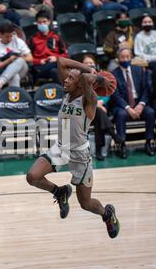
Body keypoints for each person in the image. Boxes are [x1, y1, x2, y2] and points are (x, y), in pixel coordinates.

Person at [26, 56, 120, 238]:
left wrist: (95, 76)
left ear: (79, 85)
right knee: (32, 177)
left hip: (80, 156)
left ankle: (106, 214)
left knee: (85, 204)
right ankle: (60, 192)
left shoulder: (89, 101)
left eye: (70, 79)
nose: (65, 81)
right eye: (66, 77)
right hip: (61, 148)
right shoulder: (68, 93)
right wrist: (85, 67)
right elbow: (61, 61)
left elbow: (86, 80)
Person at [110, 47, 155, 158]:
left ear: (131, 58)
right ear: (117, 59)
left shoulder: (139, 70)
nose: (125, 59)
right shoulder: (113, 74)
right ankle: (122, 144)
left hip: (139, 103)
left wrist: (141, 104)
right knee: (121, 114)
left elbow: (146, 90)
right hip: (122, 105)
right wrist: (128, 108)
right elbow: (116, 96)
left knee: (150, 112)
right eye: (122, 57)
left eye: (127, 57)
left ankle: (148, 142)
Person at [82, 55, 122, 160]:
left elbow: (108, 93)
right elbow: (81, 98)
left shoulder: (101, 76)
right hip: (84, 111)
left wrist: (100, 102)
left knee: (99, 117)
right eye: (86, 63)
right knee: (99, 112)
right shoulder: (79, 79)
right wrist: (96, 104)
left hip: (99, 110)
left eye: (91, 63)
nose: (89, 65)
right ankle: (113, 133)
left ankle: (99, 151)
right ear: (82, 65)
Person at [0, 21, 33, 91]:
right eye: (7, 37)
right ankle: (15, 100)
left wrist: (17, 57)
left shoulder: (18, 41)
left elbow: (30, 58)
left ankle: (0, 82)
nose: (9, 39)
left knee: (20, 60)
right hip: (3, 70)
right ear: (0, 35)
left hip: (22, 69)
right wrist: (8, 60)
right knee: (14, 76)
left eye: (11, 36)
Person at [28, 10, 68, 84]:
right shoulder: (33, 39)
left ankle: (65, 92)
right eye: (40, 22)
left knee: (54, 71)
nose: (42, 24)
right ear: (36, 23)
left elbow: (65, 55)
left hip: (53, 66)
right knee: (59, 65)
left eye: (44, 21)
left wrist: (55, 58)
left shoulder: (56, 37)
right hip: (39, 68)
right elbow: (28, 58)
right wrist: (39, 61)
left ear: (49, 22)